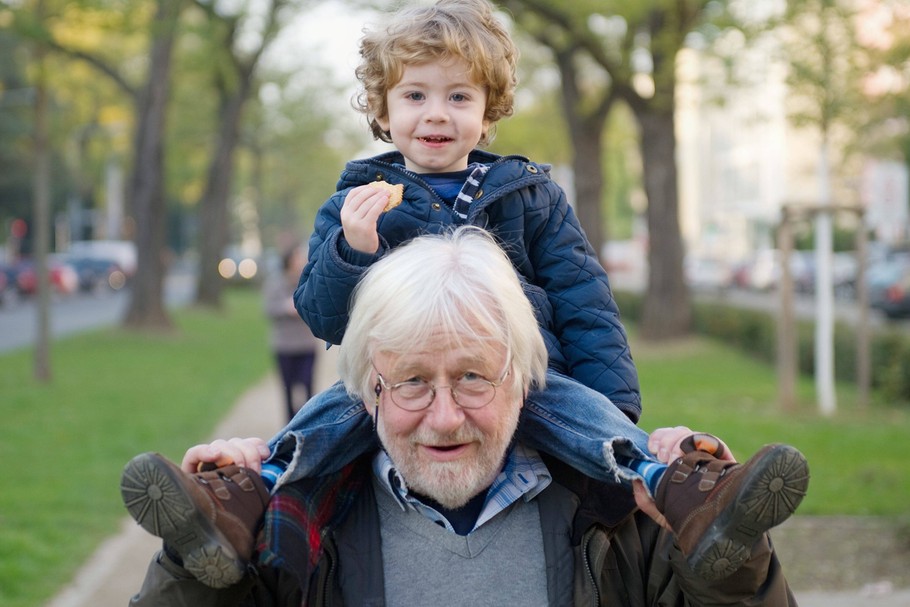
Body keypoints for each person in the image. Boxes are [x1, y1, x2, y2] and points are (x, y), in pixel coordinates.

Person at [120, 0, 804, 590]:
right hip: (396, 385)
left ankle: (682, 496)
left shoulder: (529, 195)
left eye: (458, 96)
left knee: (588, 420)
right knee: (328, 415)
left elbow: (585, 304)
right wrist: (350, 249)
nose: (435, 114)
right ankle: (242, 505)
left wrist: (612, 406)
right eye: (414, 96)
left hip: (524, 378)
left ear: (488, 110)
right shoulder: (359, 199)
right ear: (383, 112)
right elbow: (324, 316)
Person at [127, 228, 805, 605]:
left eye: (474, 376)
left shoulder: (624, 515)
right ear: (367, 391)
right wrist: (197, 562)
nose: (445, 418)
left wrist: (724, 562)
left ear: (525, 379)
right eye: (414, 382)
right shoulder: (293, 524)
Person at [263, 245, 321, 422]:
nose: (302, 260)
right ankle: (290, 427)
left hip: (306, 345)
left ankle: (309, 423)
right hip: (284, 346)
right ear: (289, 260)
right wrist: (285, 308)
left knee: (308, 387)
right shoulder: (275, 283)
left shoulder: (309, 281)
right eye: (298, 257)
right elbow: (268, 309)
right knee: (288, 389)